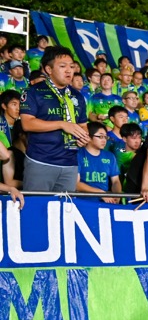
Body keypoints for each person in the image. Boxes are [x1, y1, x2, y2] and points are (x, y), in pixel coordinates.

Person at [20, 46, 89, 192]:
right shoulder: (33, 91)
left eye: (71, 66)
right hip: (41, 161)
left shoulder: (78, 96)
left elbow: (83, 125)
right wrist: (61, 124)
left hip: (70, 163)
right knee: (37, 209)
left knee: (64, 211)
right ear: (48, 69)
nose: (69, 70)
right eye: (63, 66)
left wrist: (84, 137)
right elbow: (27, 123)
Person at [76, 122, 122, 203]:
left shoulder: (110, 156)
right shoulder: (78, 155)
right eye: (100, 137)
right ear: (89, 137)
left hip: (105, 202)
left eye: (105, 137)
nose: (104, 140)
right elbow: (76, 184)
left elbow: (115, 181)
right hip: (83, 202)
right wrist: (100, 193)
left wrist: (117, 196)